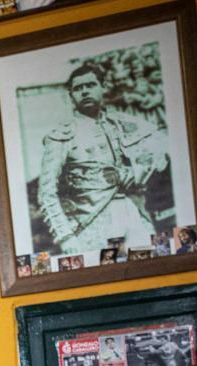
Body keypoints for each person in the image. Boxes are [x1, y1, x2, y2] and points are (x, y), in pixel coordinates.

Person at [37, 65, 165, 255]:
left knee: (150, 267)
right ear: (71, 95)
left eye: (90, 85)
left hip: (134, 212)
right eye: (78, 89)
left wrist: (135, 172)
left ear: (103, 87)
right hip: (91, 222)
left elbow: (159, 153)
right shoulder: (61, 137)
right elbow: (46, 193)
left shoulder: (121, 123)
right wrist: (65, 236)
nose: (85, 91)